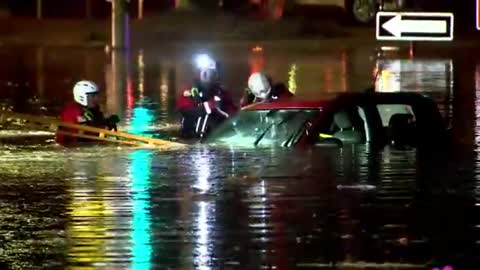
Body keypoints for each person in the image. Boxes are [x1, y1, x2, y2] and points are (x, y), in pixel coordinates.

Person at [176, 53, 238, 138]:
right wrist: (207, 107)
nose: (207, 75)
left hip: (218, 135)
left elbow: (232, 111)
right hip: (194, 137)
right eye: (204, 72)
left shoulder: (221, 93)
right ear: (199, 73)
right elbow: (184, 109)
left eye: (210, 72)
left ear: (215, 74)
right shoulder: (191, 92)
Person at [55, 80, 120, 146]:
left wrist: (108, 122)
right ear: (82, 97)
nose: (96, 99)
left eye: (96, 95)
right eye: (92, 96)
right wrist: (106, 124)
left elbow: (97, 126)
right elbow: (82, 132)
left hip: (88, 145)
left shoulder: (92, 109)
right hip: (72, 147)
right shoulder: (71, 111)